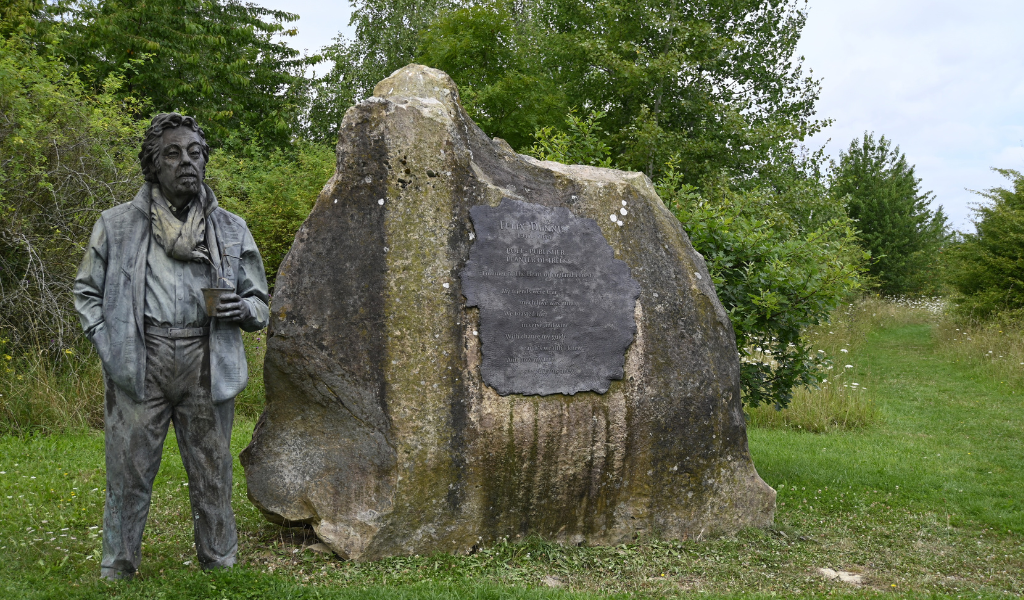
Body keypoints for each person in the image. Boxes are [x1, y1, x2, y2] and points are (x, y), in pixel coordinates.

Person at [73, 113, 270, 580]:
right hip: (143, 357)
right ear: (153, 165)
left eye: (195, 153)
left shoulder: (230, 228)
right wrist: (108, 343)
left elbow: (260, 301)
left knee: (212, 468)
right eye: (173, 153)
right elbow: (86, 292)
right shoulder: (116, 224)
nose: (187, 162)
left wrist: (242, 309)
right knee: (129, 470)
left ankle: (220, 560)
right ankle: (118, 566)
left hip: (206, 358)